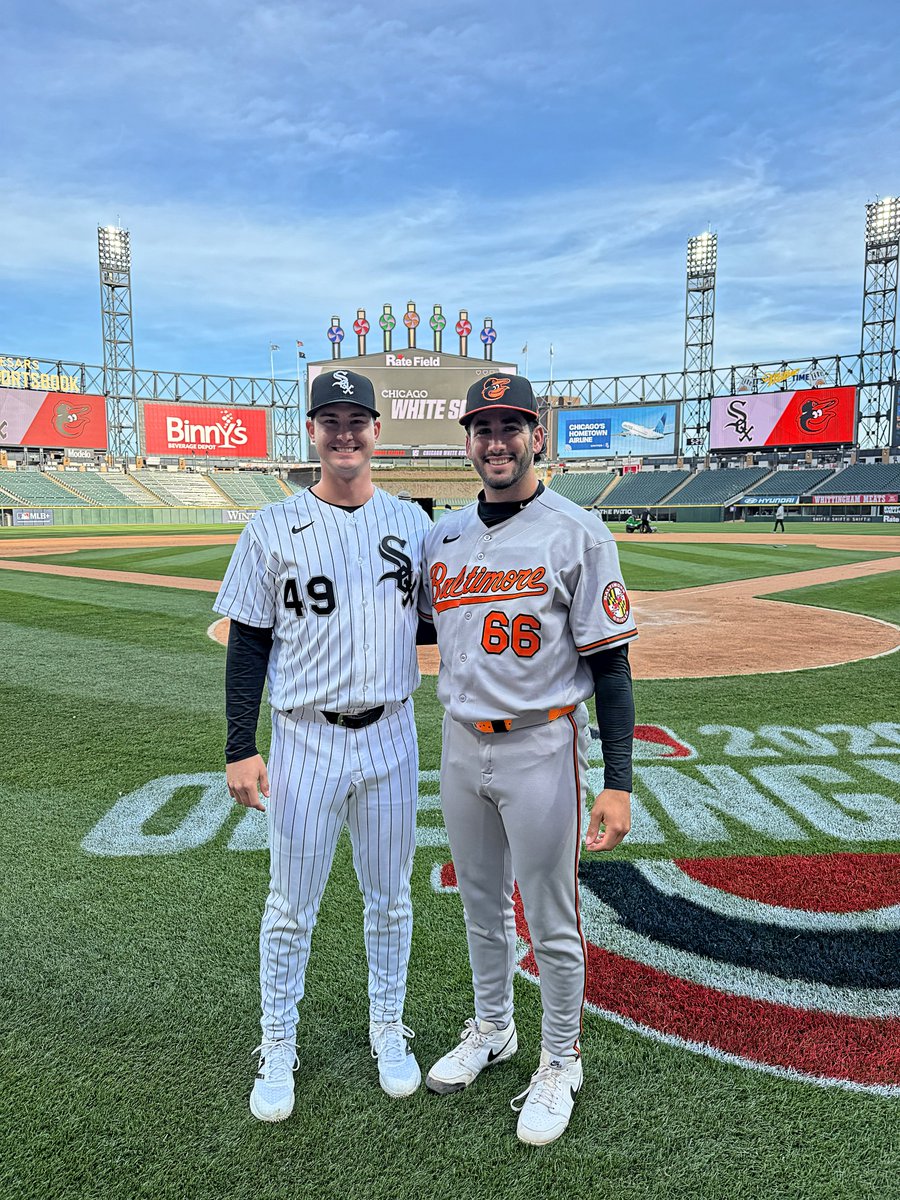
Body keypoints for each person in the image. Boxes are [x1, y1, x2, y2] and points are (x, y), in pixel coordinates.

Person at [419, 374, 636, 1146]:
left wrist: (618, 781)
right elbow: (413, 625)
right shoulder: (440, 536)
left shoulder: (578, 530)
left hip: (542, 743)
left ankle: (560, 1056)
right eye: (483, 428)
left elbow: (611, 667)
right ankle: (492, 1028)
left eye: (512, 426)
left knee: (549, 915)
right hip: (459, 740)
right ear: (468, 441)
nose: (497, 441)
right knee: (479, 904)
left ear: (537, 434)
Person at [213, 368, 431, 1121]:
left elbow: (439, 623)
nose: (345, 433)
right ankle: (278, 1043)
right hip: (305, 739)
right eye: (329, 420)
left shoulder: (412, 522)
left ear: (377, 431)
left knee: (391, 901)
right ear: (310, 431)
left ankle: (387, 1030)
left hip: (394, 737)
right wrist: (241, 745)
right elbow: (247, 645)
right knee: (288, 908)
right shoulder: (269, 528)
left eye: (357, 419)